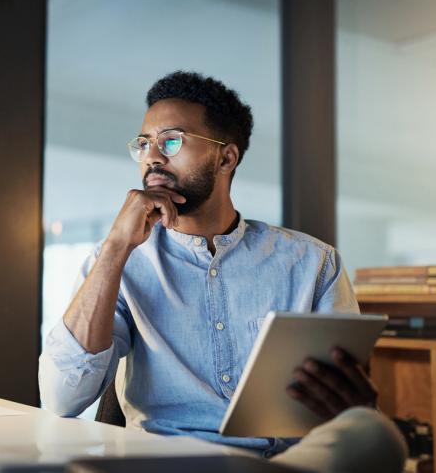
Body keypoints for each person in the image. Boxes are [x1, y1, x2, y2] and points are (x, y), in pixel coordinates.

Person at [39, 71, 407, 472]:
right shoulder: (122, 259)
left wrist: (356, 407)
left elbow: (345, 407)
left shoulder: (313, 262)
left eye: (171, 140)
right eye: (144, 143)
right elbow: (62, 397)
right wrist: (114, 248)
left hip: (285, 459)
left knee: (377, 435)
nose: (152, 157)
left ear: (226, 158)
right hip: (168, 462)